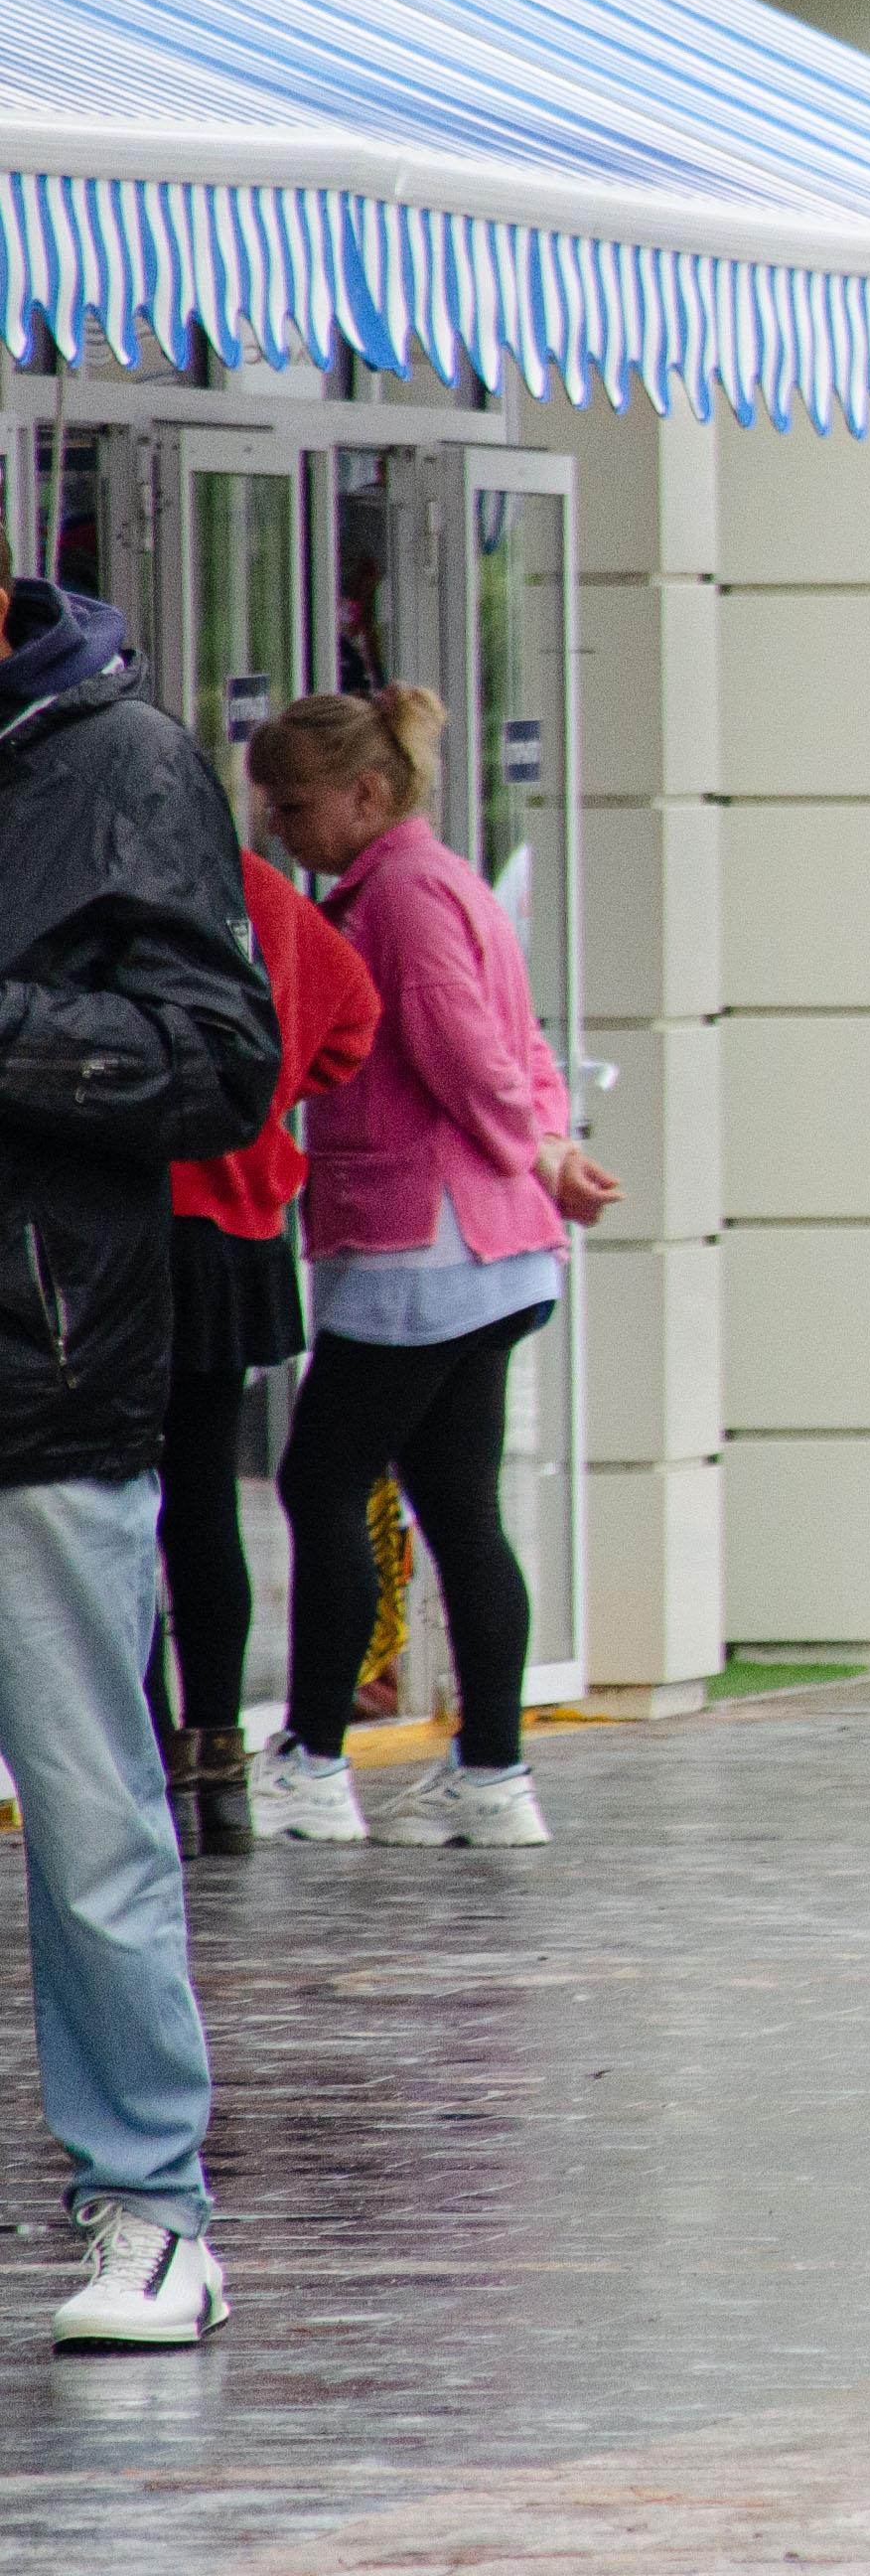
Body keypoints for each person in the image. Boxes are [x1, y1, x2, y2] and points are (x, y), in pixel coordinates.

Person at [0, 571, 280, 2349]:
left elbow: (222, 1060)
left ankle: (153, 2207)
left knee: (93, 1812)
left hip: (42, 1372)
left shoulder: (118, 761)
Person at [244, 688, 622, 1852]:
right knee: (460, 1506)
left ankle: (311, 1759)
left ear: (366, 794)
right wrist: (548, 1149)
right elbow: (521, 1048)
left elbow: (465, 1055)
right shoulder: (440, 877)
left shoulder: (397, 897)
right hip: (491, 1244)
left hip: (424, 1243)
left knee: (322, 1484)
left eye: (295, 807)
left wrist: (533, 1144)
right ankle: (492, 1772)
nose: (279, 832)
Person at [160, 846, 380, 1847]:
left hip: (134, 1221)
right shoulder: (254, 884)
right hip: (239, 1221)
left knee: (103, 1506)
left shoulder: (100, 862)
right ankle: (217, 1769)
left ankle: (147, 1753)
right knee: (202, 1495)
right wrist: (271, 1094)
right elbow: (351, 1015)